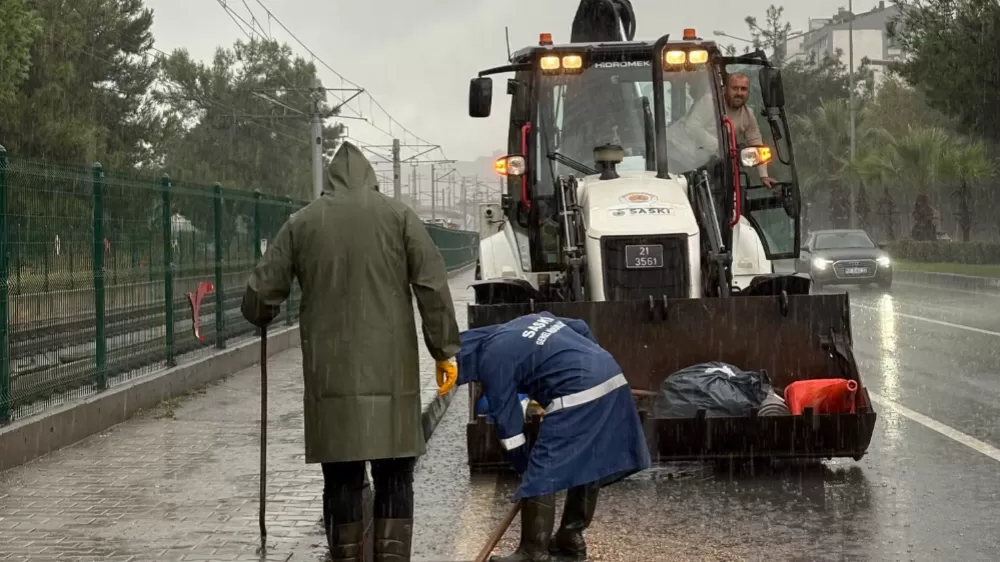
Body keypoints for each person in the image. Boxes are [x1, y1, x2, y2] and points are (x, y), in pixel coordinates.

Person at [240, 141, 461, 562]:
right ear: (370, 177)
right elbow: (432, 285)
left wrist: (263, 310)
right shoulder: (399, 217)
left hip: (331, 380)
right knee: (395, 477)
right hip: (392, 381)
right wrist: (443, 349)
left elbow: (259, 296)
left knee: (341, 480)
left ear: (330, 181)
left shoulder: (302, 223)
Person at [453, 312, 651, 562]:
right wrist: (587, 361)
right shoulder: (526, 321)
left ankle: (532, 552)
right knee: (588, 461)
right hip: (611, 376)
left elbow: (508, 423)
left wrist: (523, 465)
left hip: (578, 393)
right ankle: (570, 538)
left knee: (542, 469)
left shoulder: (491, 360)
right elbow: (580, 326)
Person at [722, 72, 775, 188]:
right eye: (735, 88)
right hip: (681, 160)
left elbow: (757, 144)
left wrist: (764, 176)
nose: (739, 93)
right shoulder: (711, 103)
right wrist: (722, 147)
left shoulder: (748, 115)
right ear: (725, 89)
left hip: (718, 167)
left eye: (743, 89)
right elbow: (693, 128)